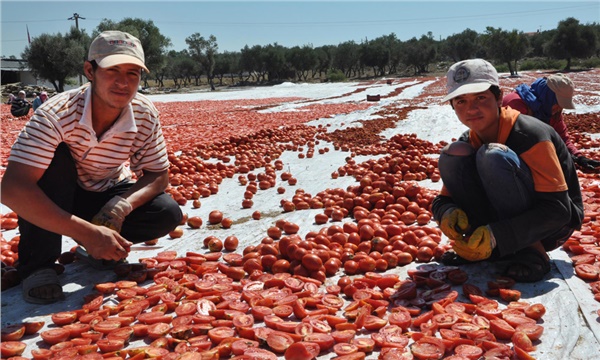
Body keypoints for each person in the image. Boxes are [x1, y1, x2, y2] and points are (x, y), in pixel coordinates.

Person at [1, 30, 183, 304]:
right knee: (55, 160)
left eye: (133, 73)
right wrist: (86, 231)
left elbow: (158, 174)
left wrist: (120, 206)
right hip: (56, 195)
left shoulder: (144, 112)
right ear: (90, 71)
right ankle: (38, 266)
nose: (123, 83)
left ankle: (94, 248)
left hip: (102, 194)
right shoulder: (56, 114)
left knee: (166, 212)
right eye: (113, 71)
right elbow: (13, 188)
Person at [432, 59, 583, 283]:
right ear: (452, 106)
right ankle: (481, 245)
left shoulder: (530, 134)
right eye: (461, 101)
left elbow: (559, 212)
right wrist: (446, 212)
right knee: (452, 154)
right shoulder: (468, 140)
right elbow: (444, 198)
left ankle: (533, 253)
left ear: (499, 97)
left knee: (492, 156)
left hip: (551, 227)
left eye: (480, 98)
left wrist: (497, 235)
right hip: (508, 218)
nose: (471, 109)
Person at [503, 74, 600, 171]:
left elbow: (563, 138)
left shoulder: (551, 111)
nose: (559, 108)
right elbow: (517, 141)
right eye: (557, 103)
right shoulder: (515, 103)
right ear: (548, 96)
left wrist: (579, 157)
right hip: (509, 157)